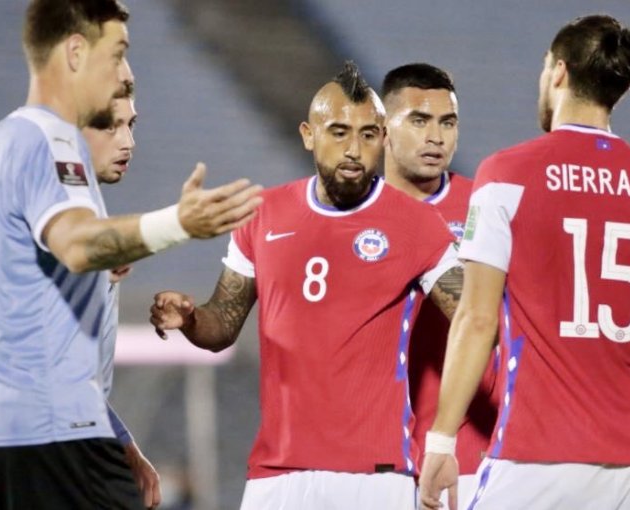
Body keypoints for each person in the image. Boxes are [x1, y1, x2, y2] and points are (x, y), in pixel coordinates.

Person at [0, 0, 261, 508]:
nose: (124, 71)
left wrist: (118, 435)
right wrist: (177, 223)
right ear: (74, 52)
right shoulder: (53, 139)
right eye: (117, 53)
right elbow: (75, 243)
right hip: (50, 432)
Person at [419, 14, 630, 510]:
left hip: (538, 455)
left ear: (558, 72)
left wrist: (442, 440)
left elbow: (478, 317)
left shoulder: (508, 175)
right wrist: (628, 422)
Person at [150, 61, 463, 510]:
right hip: (277, 474)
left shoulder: (417, 225)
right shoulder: (263, 216)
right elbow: (221, 327)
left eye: (368, 134)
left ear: (384, 139)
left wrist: (444, 439)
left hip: (374, 475)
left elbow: (478, 319)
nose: (354, 149)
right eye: (339, 132)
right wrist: (190, 318)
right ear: (308, 134)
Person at [381, 63, 497, 505]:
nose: (436, 136)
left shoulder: (487, 207)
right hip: (375, 458)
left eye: (447, 123)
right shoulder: (352, 217)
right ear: (382, 128)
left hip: (470, 455)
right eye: (419, 121)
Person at [82, 80, 161, 509]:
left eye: (131, 125)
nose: (128, 141)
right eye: (112, 127)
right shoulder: (53, 211)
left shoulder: (89, 208)